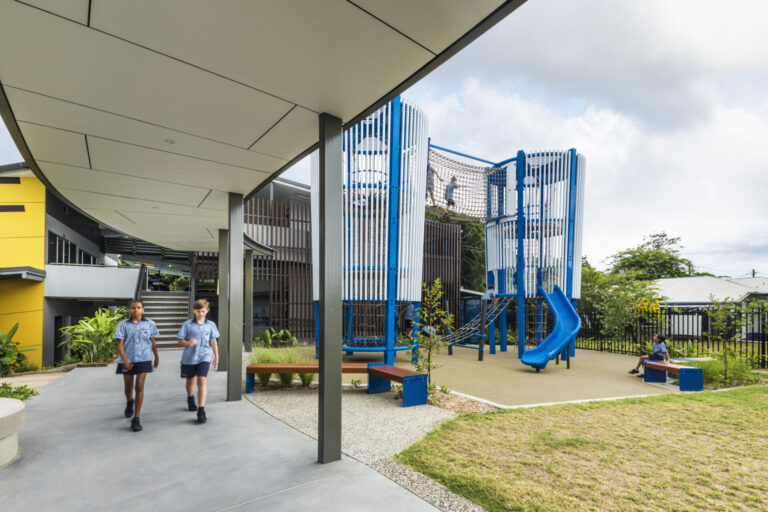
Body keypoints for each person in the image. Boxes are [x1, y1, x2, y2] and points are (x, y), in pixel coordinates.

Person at [115, 299, 160, 432]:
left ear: (143, 309)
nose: (136, 310)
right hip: (127, 359)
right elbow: (120, 343)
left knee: (139, 385)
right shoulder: (123, 325)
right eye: (133, 308)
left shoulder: (150, 324)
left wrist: (156, 357)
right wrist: (124, 359)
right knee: (128, 388)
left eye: (139, 308)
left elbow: (152, 341)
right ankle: (130, 401)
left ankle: (136, 418)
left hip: (144, 358)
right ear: (130, 310)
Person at [177, 299, 219, 424]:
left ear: (207, 311)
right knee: (190, 380)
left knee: (202, 380)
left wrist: (216, 356)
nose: (201, 314)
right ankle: (190, 398)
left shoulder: (211, 325)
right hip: (189, 357)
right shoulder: (187, 325)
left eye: (203, 311)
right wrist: (188, 343)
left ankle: (201, 410)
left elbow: (213, 341)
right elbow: (180, 340)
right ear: (194, 311)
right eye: (198, 311)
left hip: (204, 356)